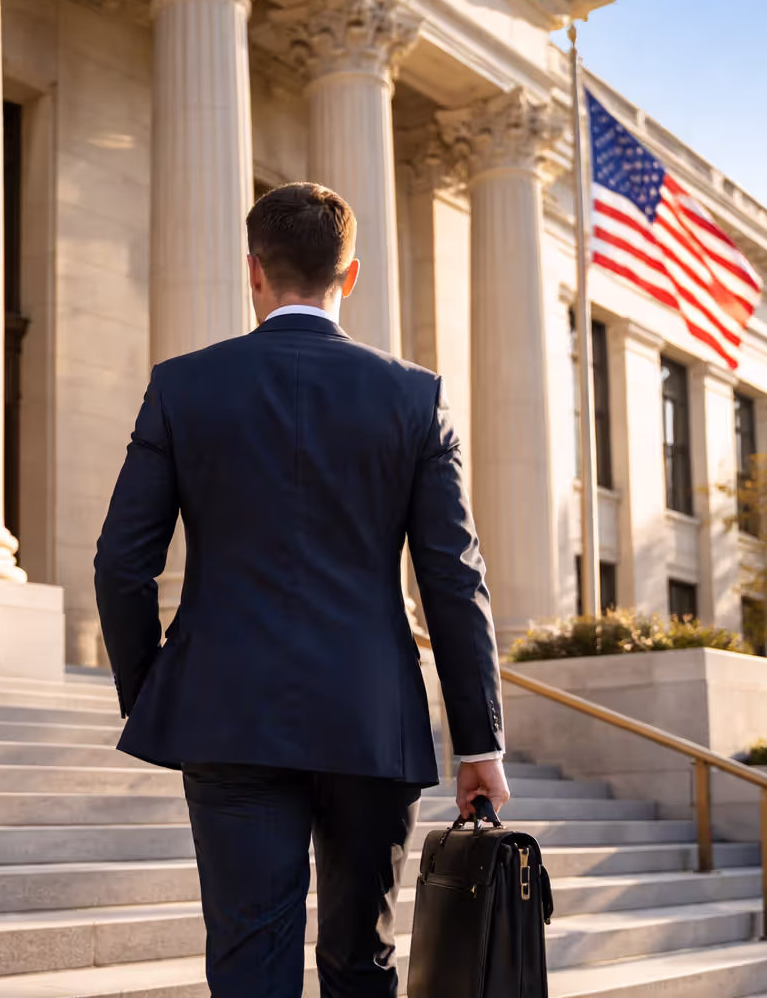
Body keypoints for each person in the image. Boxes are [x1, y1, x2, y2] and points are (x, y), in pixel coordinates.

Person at [94, 182, 510, 997]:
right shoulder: (415, 396)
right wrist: (479, 742)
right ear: (349, 276)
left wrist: (156, 692)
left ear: (254, 270)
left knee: (250, 965)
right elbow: (454, 579)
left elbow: (121, 562)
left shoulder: (183, 386)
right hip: (370, 716)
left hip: (227, 715)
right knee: (362, 961)